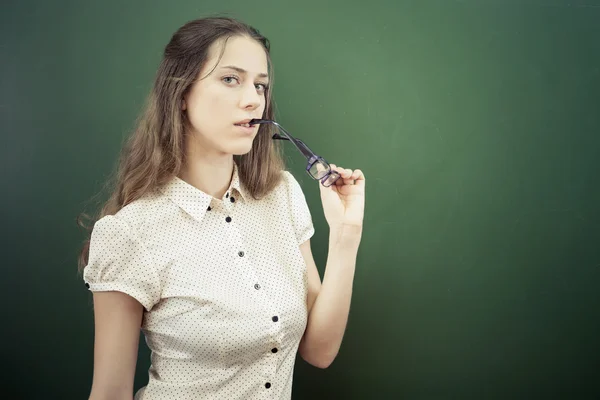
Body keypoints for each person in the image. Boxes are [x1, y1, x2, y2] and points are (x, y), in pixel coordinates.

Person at [78, 16, 366, 400]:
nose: (253, 99)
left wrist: (346, 235)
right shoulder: (129, 232)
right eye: (230, 79)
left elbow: (319, 350)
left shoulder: (282, 195)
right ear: (180, 93)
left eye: (260, 85)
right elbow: (109, 393)